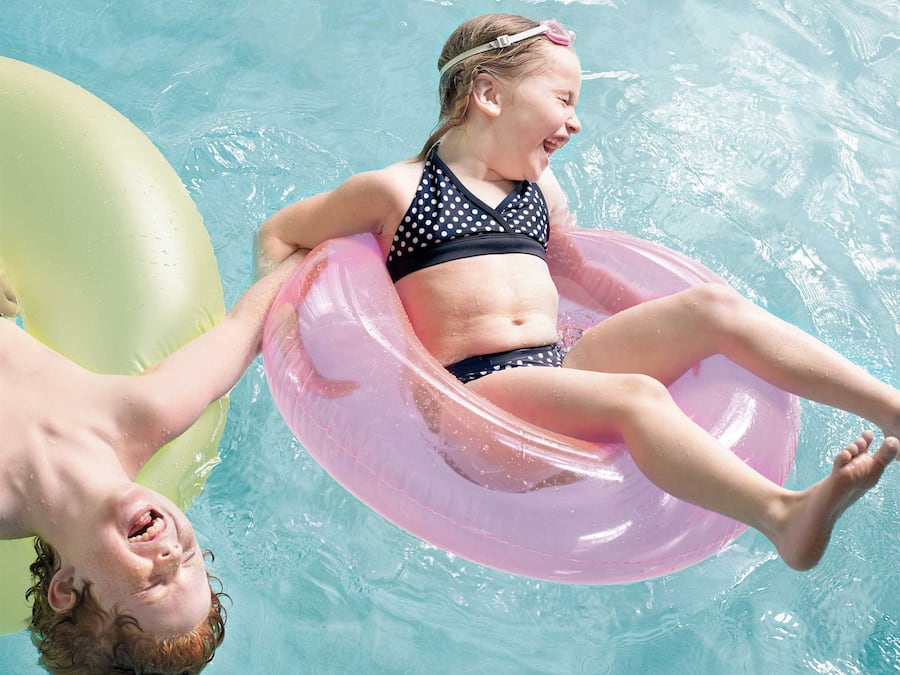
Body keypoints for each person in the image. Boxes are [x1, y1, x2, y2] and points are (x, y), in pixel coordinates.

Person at [255, 13, 899, 573]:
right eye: (563, 99)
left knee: (711, 307)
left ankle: (891, 406)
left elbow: (581, 279)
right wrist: (283, 335)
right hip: (473, 400)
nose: (576, 121)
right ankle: (781, 517)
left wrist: (670, 331)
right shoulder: (396, 192)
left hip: (553, 370)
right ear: (488, 94)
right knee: (636, 397)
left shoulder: (542, 195)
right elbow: (280, 232)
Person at [0, 252, 301, 674]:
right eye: (191, 559)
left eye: (155, 584)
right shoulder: (143, 415)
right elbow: (248, 327)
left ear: (67, 588)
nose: (171, 552)